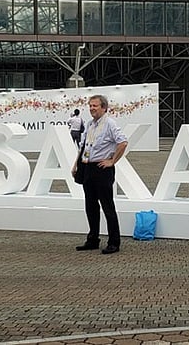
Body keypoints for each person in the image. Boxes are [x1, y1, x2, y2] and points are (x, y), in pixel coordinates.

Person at [71, 94, 127, 255]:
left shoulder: (110, 124)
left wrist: (112, 161)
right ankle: (93, 239)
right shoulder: (89, 124)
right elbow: (83, 147)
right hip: (87, 167)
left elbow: (123, 142)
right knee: (90, 206)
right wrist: (76, 164)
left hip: (102, 169)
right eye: (90, 106)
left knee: (107, 206)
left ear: (104, 108)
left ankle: (114, 242)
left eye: (95, 106)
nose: (92, 108)